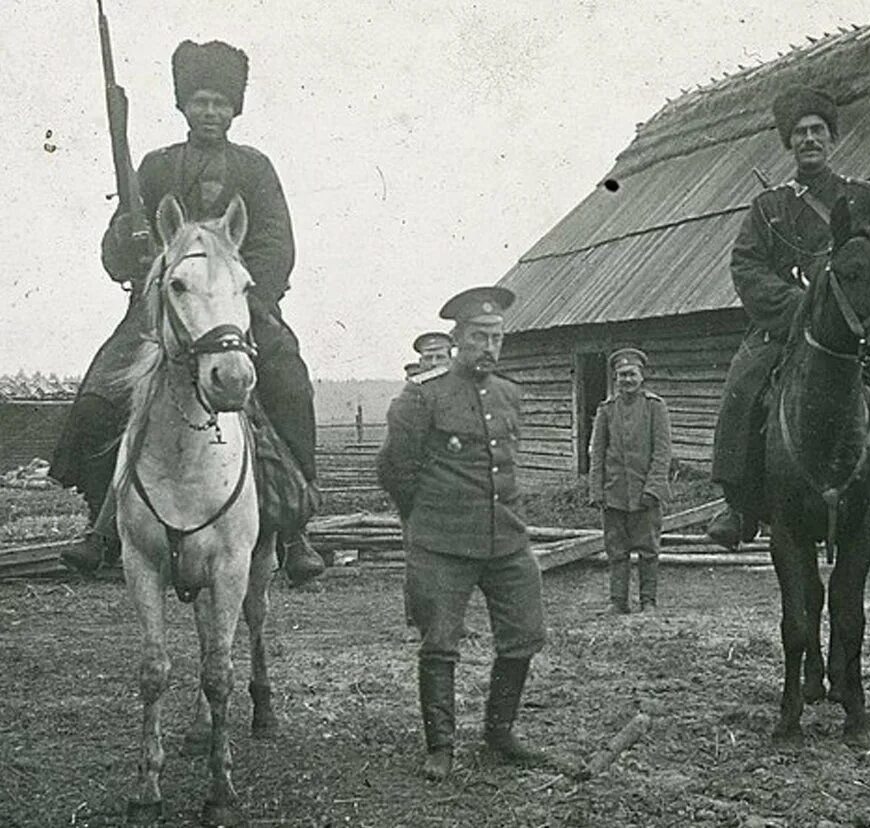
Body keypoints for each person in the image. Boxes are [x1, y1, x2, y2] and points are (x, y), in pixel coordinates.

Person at [52, 39, 325, 584]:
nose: (210, 112)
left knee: (289, 384)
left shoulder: (255, 168)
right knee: (101, 396)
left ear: (235, 109)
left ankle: (295, 529)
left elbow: (275, 244)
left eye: (220, 103)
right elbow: (115, 255)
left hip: (236, 307)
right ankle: (103, 526)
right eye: (200, 101)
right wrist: (128, 240)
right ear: (183, 105)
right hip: (160, 310)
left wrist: (237, 299)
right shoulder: (154, 168)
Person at [708, 85, 870, 560]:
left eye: (817, 131)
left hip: (859, 333)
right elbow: (746, 266)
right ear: (788, 143)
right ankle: (738, 507)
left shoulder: (862, 198)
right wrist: (799, 306)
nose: (809, 139)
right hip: (788, 328)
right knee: (741, 388)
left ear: (831, 138)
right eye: (799, 133)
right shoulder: (768, 208)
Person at [376, 286, 548, 782]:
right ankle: (441, 747)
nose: (489, 348)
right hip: (443, 542)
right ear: (457, 340)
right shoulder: (422, 395)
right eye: (479, 337)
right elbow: (395, 470)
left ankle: (500, 734)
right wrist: (428, 518)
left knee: (524, 634)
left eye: (497, 338)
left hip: (507, 540)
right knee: (439, 643)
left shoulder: (509, 394)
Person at [587, 348, 672, 614]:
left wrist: (654, 488)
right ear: (615, 378)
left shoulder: (654, 407)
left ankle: (648, 601)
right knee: (616, 551)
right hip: (614, 492)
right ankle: (618, 601)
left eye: (631, 374)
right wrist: (596, 490)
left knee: (649, 550)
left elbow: (662, 451)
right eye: (621, 375)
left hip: (645, 492)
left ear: (641, 376)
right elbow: (597, 453)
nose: (627, 380)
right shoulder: (606, 410)